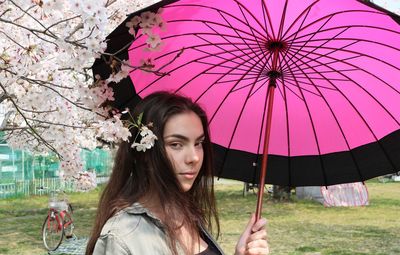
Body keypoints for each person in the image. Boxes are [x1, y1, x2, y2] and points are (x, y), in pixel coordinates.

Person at [86, 91, 269, 255]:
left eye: (198, 143)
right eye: (176, 144)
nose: (194, 158)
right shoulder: (122, 238)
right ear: (144, 152)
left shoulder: (187, 215)